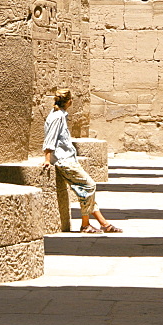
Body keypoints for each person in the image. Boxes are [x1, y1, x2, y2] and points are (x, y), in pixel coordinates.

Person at [42, 89, 122, 234]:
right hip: (63, 160)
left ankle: (104, 224)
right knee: (89, 186)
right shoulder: (57, 116)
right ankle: (85, 225)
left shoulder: (59, 115)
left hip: (68, 158)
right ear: (69, 101)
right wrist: (47, 159)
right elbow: (50, 139)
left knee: (85, 190)